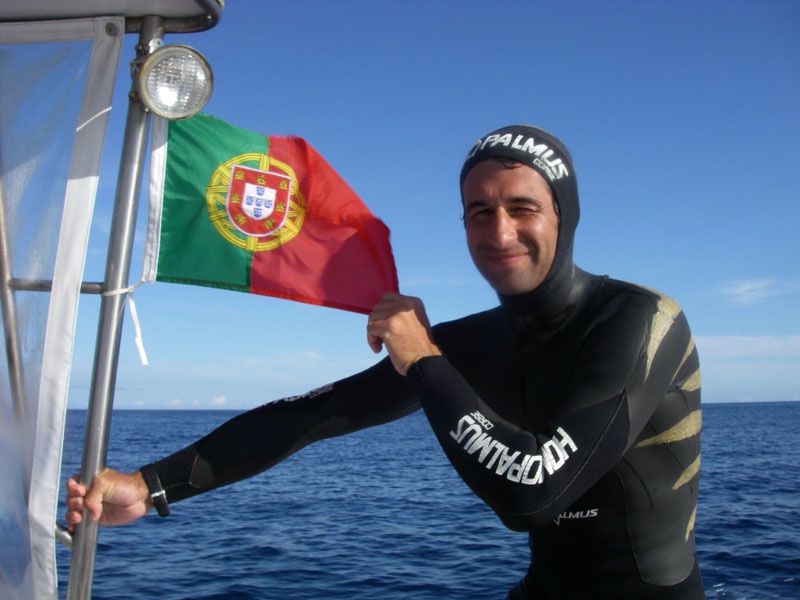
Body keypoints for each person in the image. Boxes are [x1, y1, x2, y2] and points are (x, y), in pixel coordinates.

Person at [67, 125, 703, 598]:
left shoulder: (640, 323)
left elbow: (533, 492)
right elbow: (311, 417)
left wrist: (424, 360)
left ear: (565, 217)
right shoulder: (474, 343)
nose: (500, 232)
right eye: (480, 212)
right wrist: (148, 486)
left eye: (522, 208)